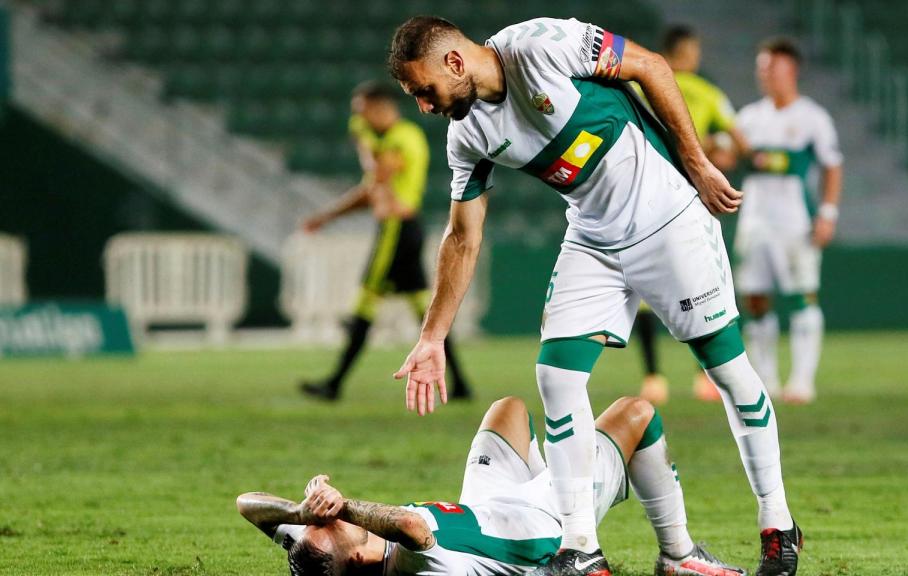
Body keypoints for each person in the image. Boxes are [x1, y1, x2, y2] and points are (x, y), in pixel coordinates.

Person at [387, 16, 800, 576]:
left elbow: (651, 66)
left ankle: (778, 524)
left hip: (667, 216)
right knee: (556, 376)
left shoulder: (541, 45)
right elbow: (462, 237)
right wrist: (432, 337)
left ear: (454, 62)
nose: (424, 106)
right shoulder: (467, 135)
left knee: (726, 370)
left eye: (424, 90)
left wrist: (697, 163)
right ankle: (581, 547)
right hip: (593, 235)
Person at [237, 396, 747, 576]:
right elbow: (410, 525)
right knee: (637, 414)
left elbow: (247, 506)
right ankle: (677, 557)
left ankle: (560, 465)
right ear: (355, 558)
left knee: (509, 408)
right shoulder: (410, 567)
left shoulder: (317, 549)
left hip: (488, 503)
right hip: (544, 522)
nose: (326, 517)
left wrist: (300, 515)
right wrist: (344, 504)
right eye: (329, 524)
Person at [299, 81, 471, 402]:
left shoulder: (403, 137)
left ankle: (334, 384)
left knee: (365, 302)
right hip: (402, 229)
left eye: (362, 112)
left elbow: (377, 177)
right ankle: (461, 384)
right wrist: (327, 216)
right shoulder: (390, 141)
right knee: (425, 311)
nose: (359, 120)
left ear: (381, 107)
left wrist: (363, 143)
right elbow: (370, 192)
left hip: (397, 230)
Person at [634, 24, 750, 406]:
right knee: (703, 284)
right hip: (689, 200)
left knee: (645, 290)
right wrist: (714, 149)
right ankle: (707, 377)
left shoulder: (639, 86)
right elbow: (739, 145)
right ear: (688, 53)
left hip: (643, 200)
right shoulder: (707, 92)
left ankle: (653, 378)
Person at [732, 38, 844, 404]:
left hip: (795, 222)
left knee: (803, 296)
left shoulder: (812, 118)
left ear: (791, 70)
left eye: (772, 68)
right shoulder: (748, 118)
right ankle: (765, 380)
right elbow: (727, 158)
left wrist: (827, 213)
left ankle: (802, 380)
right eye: (762, 69)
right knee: (755, 299)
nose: (765, 75)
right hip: (754, 221)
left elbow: (832, 166)